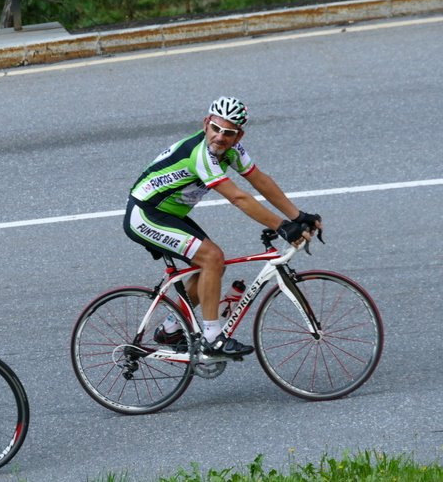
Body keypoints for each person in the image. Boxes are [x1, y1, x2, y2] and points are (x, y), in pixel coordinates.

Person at [123, 97, 322, 358]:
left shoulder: (232, 150)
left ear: (238, 136)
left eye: (228, 132)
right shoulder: (200, 155)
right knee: (212, 257)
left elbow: (260, 181)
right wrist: (282, 226)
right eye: (216, 128)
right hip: (144, 215)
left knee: (214, 265)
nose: (220, 137)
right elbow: (238, 198)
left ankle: (171, 328)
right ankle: (212, 338)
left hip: (167, 214)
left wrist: (298, 215)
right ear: (206, 123)